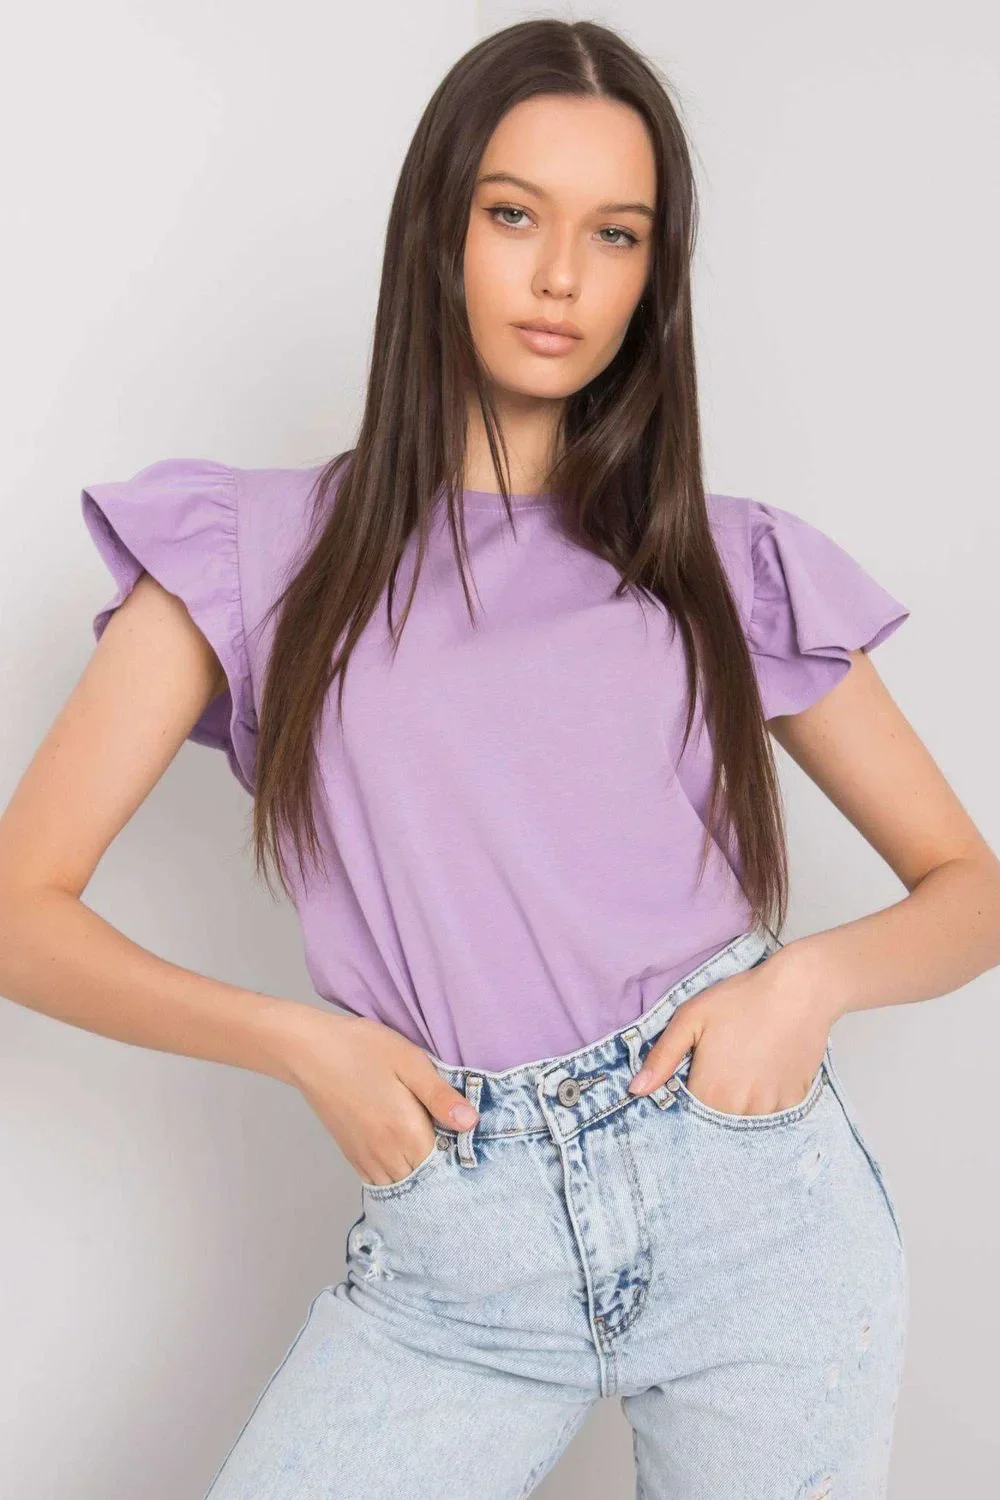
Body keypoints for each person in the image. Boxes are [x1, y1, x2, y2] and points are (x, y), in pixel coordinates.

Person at [3, 17, 999, 1500]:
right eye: (516, 215)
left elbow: (970, 885)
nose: (561, 278)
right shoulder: (253, 554)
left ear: (654, 275)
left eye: (617, 234)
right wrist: (302, 1044)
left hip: (758, 1214)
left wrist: (807, 986)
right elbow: (21, 911)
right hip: (456, 1255)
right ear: (439, 231)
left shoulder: (724, 564)